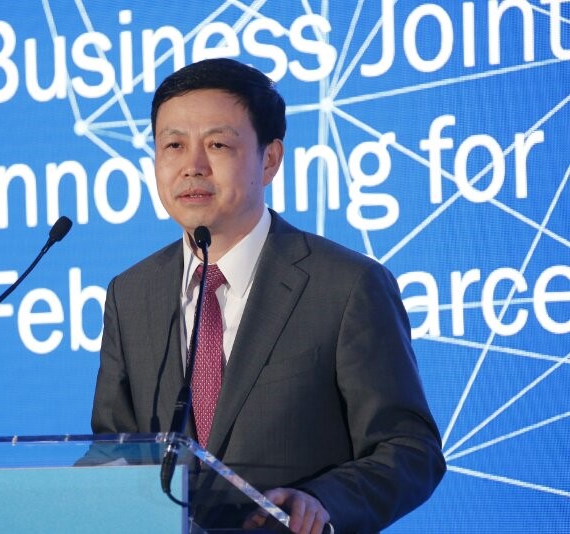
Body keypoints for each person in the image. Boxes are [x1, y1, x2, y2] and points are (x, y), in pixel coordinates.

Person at [91, 58, 445, 533]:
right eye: (173, 145)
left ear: (270, 159)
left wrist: (322, 501)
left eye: (217, 145)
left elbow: (410, 449)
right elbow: (113, 450)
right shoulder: (132, 294)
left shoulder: (346, 286)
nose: (192, 166)